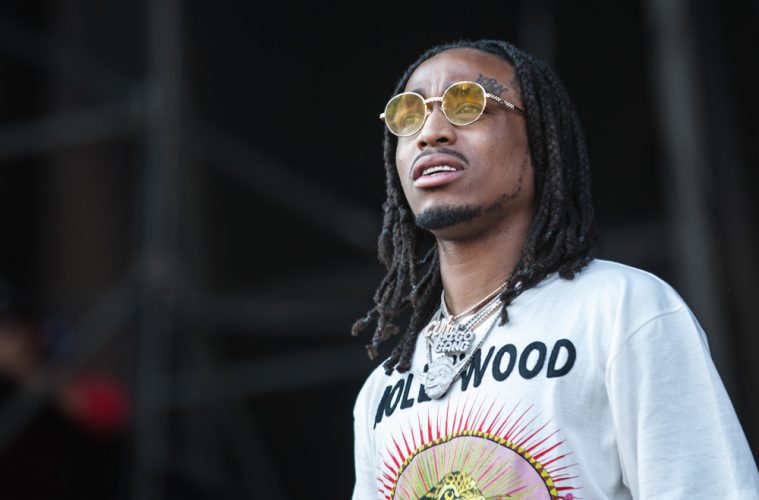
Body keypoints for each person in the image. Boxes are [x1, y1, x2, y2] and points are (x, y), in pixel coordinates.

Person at [351, 39, 758, 499]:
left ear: (541, 140)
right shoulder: (383, 389)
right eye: (409, 115)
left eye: (467, 104)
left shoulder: (620, 310)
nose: (431, 132)